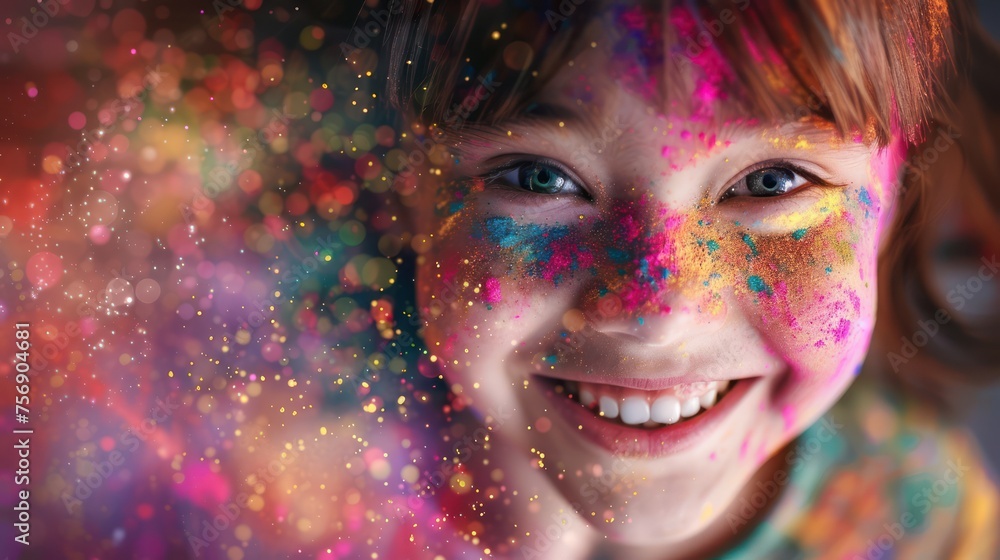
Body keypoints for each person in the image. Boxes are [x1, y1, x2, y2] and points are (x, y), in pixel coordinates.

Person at [367, 0, 1000, 557]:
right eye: (538, 176)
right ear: (406, 194)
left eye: (770, 182)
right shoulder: (315, 481)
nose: (656, 310)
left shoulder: (923, 519)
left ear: (895, 203)